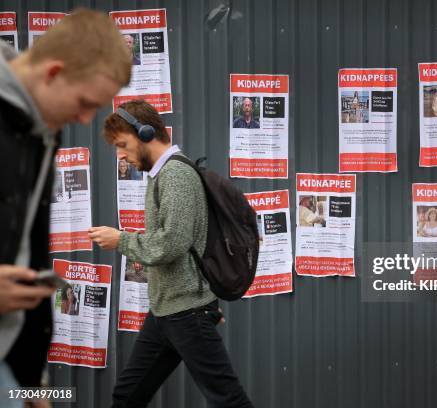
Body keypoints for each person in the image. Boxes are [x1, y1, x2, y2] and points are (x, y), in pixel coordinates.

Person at [0, 8, 131, 402]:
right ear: (53, 72)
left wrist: (32, 379)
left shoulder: (40, 130)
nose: (86, 118)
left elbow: (28, 249)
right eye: (84, 102)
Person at [88, 100, 254, 408]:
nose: (120, 155)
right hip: (168, 311)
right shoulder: (161, 175)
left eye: (123, 145)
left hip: (186, 313)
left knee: (228, 400)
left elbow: (171, 244)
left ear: (146, 134)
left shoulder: (176, 175)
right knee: (128, 395)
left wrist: (120, 240)